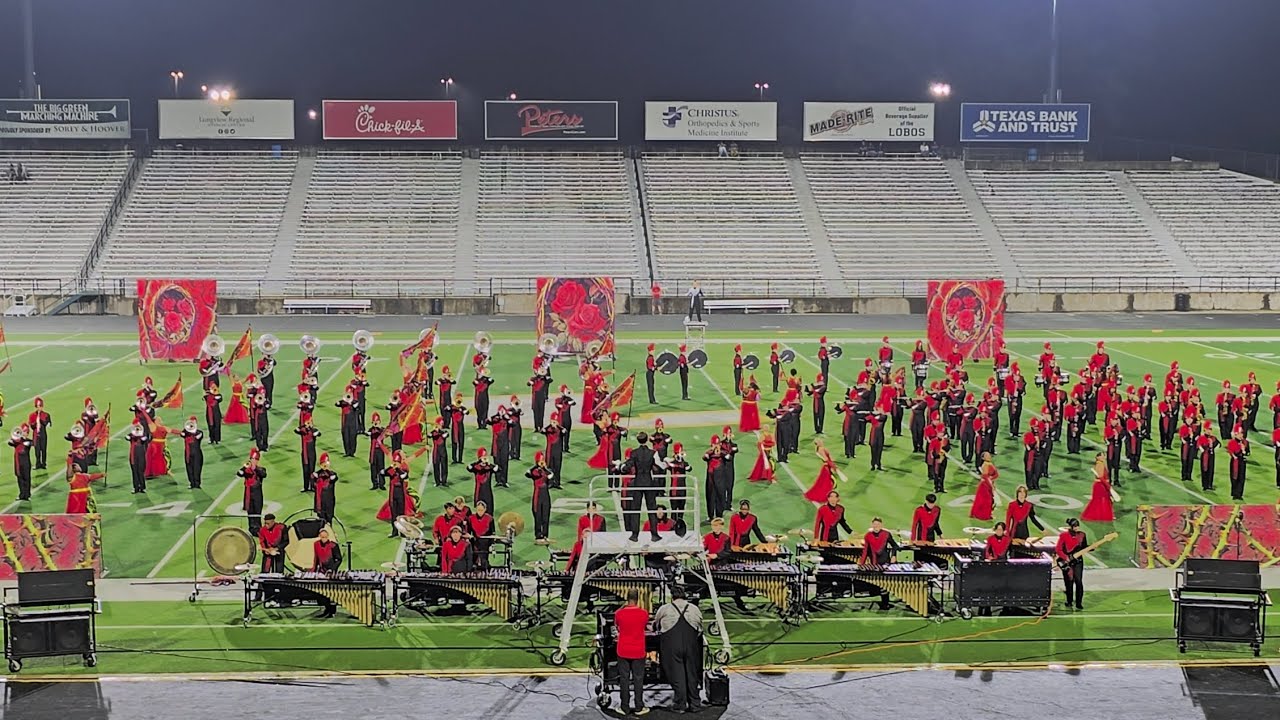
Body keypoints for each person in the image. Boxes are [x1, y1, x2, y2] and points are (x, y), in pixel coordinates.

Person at [655, 585, 704, 713]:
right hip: (691, 645)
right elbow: (699, 628)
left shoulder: (664, 609)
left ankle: (680, 705)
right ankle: (695, 704)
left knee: (677, 676)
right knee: (692, 675)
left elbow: (656, 625)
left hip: (672, 646)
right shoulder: (694, 609)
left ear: (672, 597)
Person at [613, 589, 651, 716]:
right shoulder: (643, 613)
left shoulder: (619, 613)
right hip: (638, 650)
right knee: (638, 679)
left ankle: (625, 707)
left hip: (623, 650)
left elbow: (617, 624)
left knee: (624, 679)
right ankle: (639, 706)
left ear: (626, 598)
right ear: (638, 598)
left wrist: (623, 607)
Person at [861, 517, 900, 609]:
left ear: (881, 525)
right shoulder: (868, 536)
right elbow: (865, 551)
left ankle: (885, 603)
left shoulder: (886, 534)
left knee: (885, 583)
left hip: (885, 561)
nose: (876, 526)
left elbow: (895, 546)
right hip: (875, 563)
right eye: (874, 524)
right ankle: (884, 602)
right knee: (880, 584)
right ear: (872, 525)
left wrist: (893, 555)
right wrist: (861, 563)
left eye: (878, 524)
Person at [1055, 518, 1088, 610]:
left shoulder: (1082, 535)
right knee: (1069, 582)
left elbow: (1084, 547)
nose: (1077, 528)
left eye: (1078, 526)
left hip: (1078, 562)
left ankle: (1079, 603)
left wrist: (1092, 547)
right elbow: (1058, 549)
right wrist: (1066, 558)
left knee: (1078, 581)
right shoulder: (1064, 536)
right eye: (1075, 526)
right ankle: (1069, 601)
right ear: (1071, 527)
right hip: (1067, 562)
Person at [239, 448, 267, 536]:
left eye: (255, 459)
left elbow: (264, 474)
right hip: (248, 494)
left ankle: (258, 529)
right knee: (250, 512)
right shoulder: (246, 470)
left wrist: (255, 468)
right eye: (252, 459)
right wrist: (245, 467)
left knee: (257, 512)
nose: (253, 461)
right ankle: (251, 529)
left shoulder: (261, 469)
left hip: (257, 494)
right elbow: (239, 473)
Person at [1081, 453, 1115, 523]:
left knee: (1103, 500)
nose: (1104, 457)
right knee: (1101, 500)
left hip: (1101, 484)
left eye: (1104, 455)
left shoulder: (1101, 464)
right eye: (1102, 455)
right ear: (1098, 457)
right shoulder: (1100, 464)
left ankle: (1101, 515)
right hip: (1100, 485)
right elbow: (1100, 477)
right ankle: (1098, 515)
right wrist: (1107, 485)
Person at [970, 453, 998, 521]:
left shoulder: (990, 463)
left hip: (989, 483)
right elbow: (985, 476)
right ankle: (984, 515)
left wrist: (992, 481)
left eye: (989, 455)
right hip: (985, 485)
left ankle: (988, 514)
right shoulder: (985, 465)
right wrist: (991, 484)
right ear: (983, 458)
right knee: (986, 501)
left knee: (988, 500)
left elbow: (995, 475)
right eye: (986, 456)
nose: (989, 456)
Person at [313, 453, 338, 524]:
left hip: (328, 503)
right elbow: (313, 484)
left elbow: (333, 477)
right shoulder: (317, 476)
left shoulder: (332, 475)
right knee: (321, 521)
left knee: (329, 521)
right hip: (320, 503)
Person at [181, 416, 204, 490]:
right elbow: (182, 434)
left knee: (197, 469)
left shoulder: (199, 432)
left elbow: (197, 437)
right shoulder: (186, 432)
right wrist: (186, 429)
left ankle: (197, 483)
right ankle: (192, 483)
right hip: (188, 453)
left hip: (197, 454)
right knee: (189, 468)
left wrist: (192, 430)